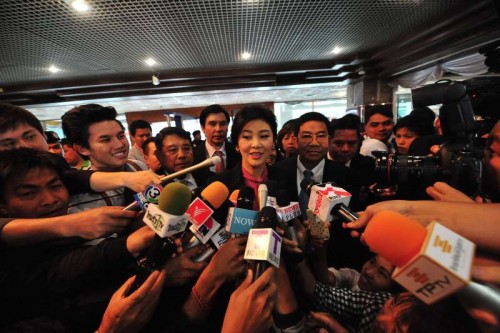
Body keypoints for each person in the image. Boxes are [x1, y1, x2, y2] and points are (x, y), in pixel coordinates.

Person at [62, 104, 149, 212]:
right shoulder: (83, 199)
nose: (119, 145)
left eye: (121, 136)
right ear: (82, 148)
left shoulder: (138, 166)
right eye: (105, 140)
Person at [192, 104, 241, 174]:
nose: (218, 129)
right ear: (203, 128)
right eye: (212, 124)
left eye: (223, 124)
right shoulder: (193, 156)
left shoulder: (238, 152)